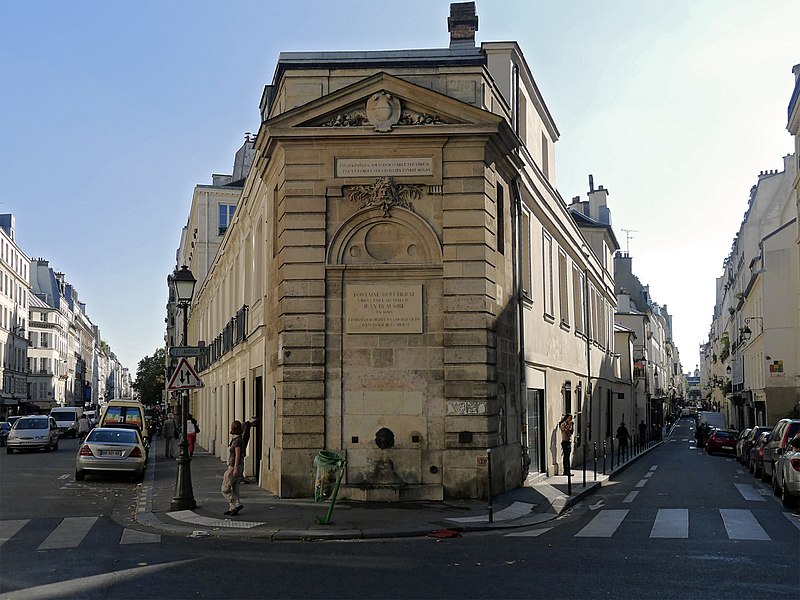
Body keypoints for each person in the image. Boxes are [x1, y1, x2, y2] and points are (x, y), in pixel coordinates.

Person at [221, 420, 244, 516]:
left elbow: (238, 455)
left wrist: (235, 468)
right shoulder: (237, 439)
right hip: (237, 465)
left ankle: (236, 504)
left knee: (225, 488)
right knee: (234, 488)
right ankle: (232, 508)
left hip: (234, 466)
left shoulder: (238, 441)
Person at [239, 417, 258, 484]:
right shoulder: (247, 427)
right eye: (256, 423)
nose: (256, 425)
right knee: (240, 463)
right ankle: (240, 478)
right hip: (241, 447)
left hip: (241, 446)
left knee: (240, 462)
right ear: (253, 422)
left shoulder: (245, 425)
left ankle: (240, 477)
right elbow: (244, 437)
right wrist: (243, 450)